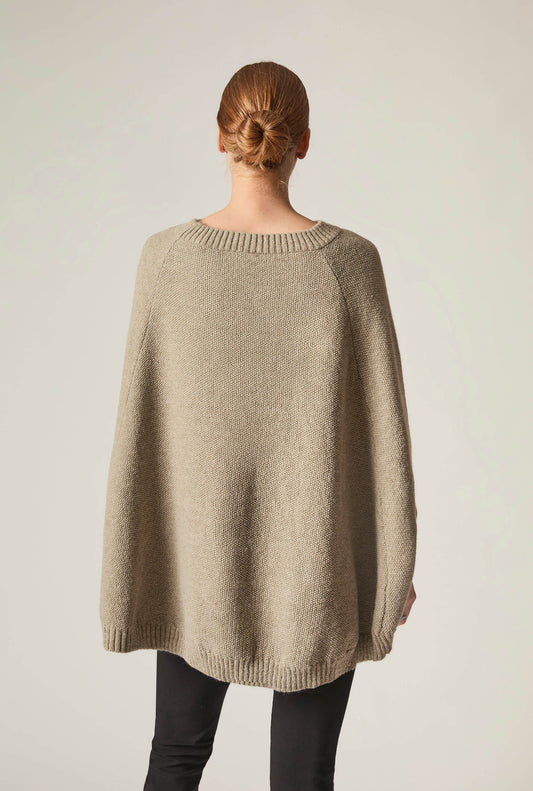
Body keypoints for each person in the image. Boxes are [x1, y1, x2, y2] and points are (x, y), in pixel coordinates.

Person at [99, 60, 418, 790]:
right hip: (318, 570)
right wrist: (393, 561)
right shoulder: (349, 264)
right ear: (304, 141)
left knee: (175, 755)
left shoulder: (167, 260)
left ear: (221, 138)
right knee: (303, 777)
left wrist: (133, 562)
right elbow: (386, 435)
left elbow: (138, 435)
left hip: (194, 566)